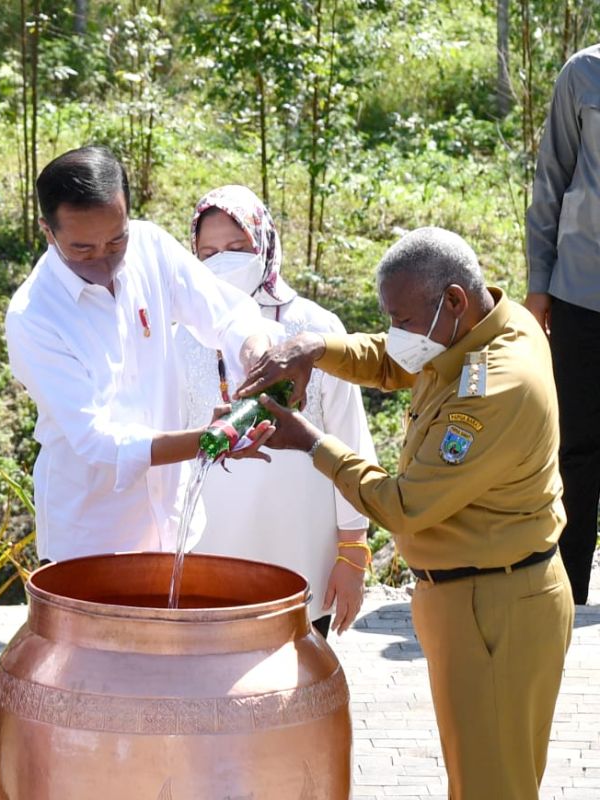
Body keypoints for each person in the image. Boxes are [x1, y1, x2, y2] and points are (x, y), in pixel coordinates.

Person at [242, 227, 574, 799]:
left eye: (404, 320)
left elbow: (405, 505)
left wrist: (314, 444)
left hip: (493, 607)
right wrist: (316, 348)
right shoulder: (487, 325)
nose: (397, 335)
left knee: (493, 787)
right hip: (473, 595)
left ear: (453, 300)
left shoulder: (493, 388)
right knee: (476, 777)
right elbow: (394, 363)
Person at [5, 146, 281, 563]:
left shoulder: (150, 248)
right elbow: (96, 441)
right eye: (82, 249)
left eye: (117, 240)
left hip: (173, 523)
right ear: (48, 231)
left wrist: (259, 358)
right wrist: (207, 441)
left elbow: (226, 315)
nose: (104, 259)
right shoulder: (34, 315)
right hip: (92, 537)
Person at [177, 185, 377, 636]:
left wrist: (352, 552)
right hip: (208, 557)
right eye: (208, 252)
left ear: (263, 243)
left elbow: (351, 442)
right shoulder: (183, 337)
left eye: (236, 247)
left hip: (303, 553)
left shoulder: (316, 329)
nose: (222, 261)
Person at [524, 44, 600, 606]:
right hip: (581, 287)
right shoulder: (583, 73)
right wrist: (539, 282)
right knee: (576, 444)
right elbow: (551, 178)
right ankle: (568, 590)